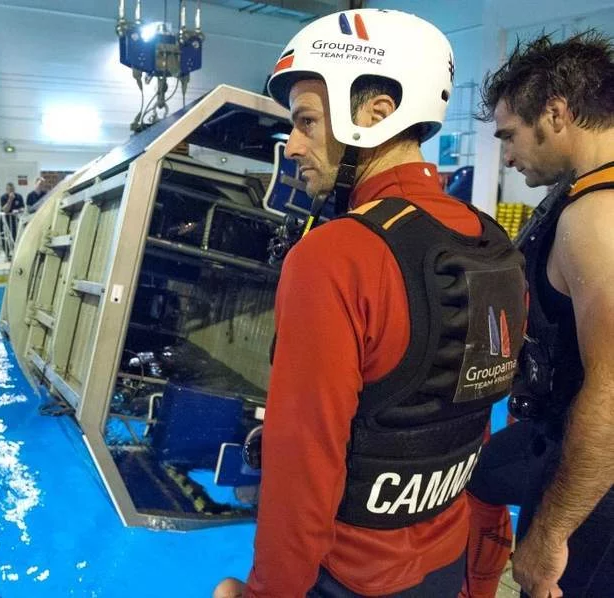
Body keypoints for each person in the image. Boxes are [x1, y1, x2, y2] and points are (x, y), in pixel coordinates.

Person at [215, 8, 527, 597]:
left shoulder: (335, 255)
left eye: (307, 121)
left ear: (377, 114)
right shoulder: (492, 242)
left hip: (346, 576)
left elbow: (304, 466)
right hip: (448, 566)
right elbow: (475, 419)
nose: (294, 146)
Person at [461, 31, 614, 598]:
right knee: (472, 477)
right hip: (564, 446)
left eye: (508, 135)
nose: (504, 155)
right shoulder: (585, 198)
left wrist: (551, 534)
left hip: (594, 490)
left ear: (555, 113)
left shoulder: (598, 218)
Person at [0, 182, 24, 257]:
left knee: (16, 235)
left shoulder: (19, 196)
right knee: (5, 237)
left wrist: (19, 210)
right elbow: (5, 210)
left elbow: (23, 208)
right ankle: (7, 254)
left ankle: (16, 252)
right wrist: (10, 200)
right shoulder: (3, 197)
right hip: (5, 220)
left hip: (15, 220)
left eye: (12, 190)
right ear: (6, 190)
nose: (11, 192)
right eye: (9, 190)